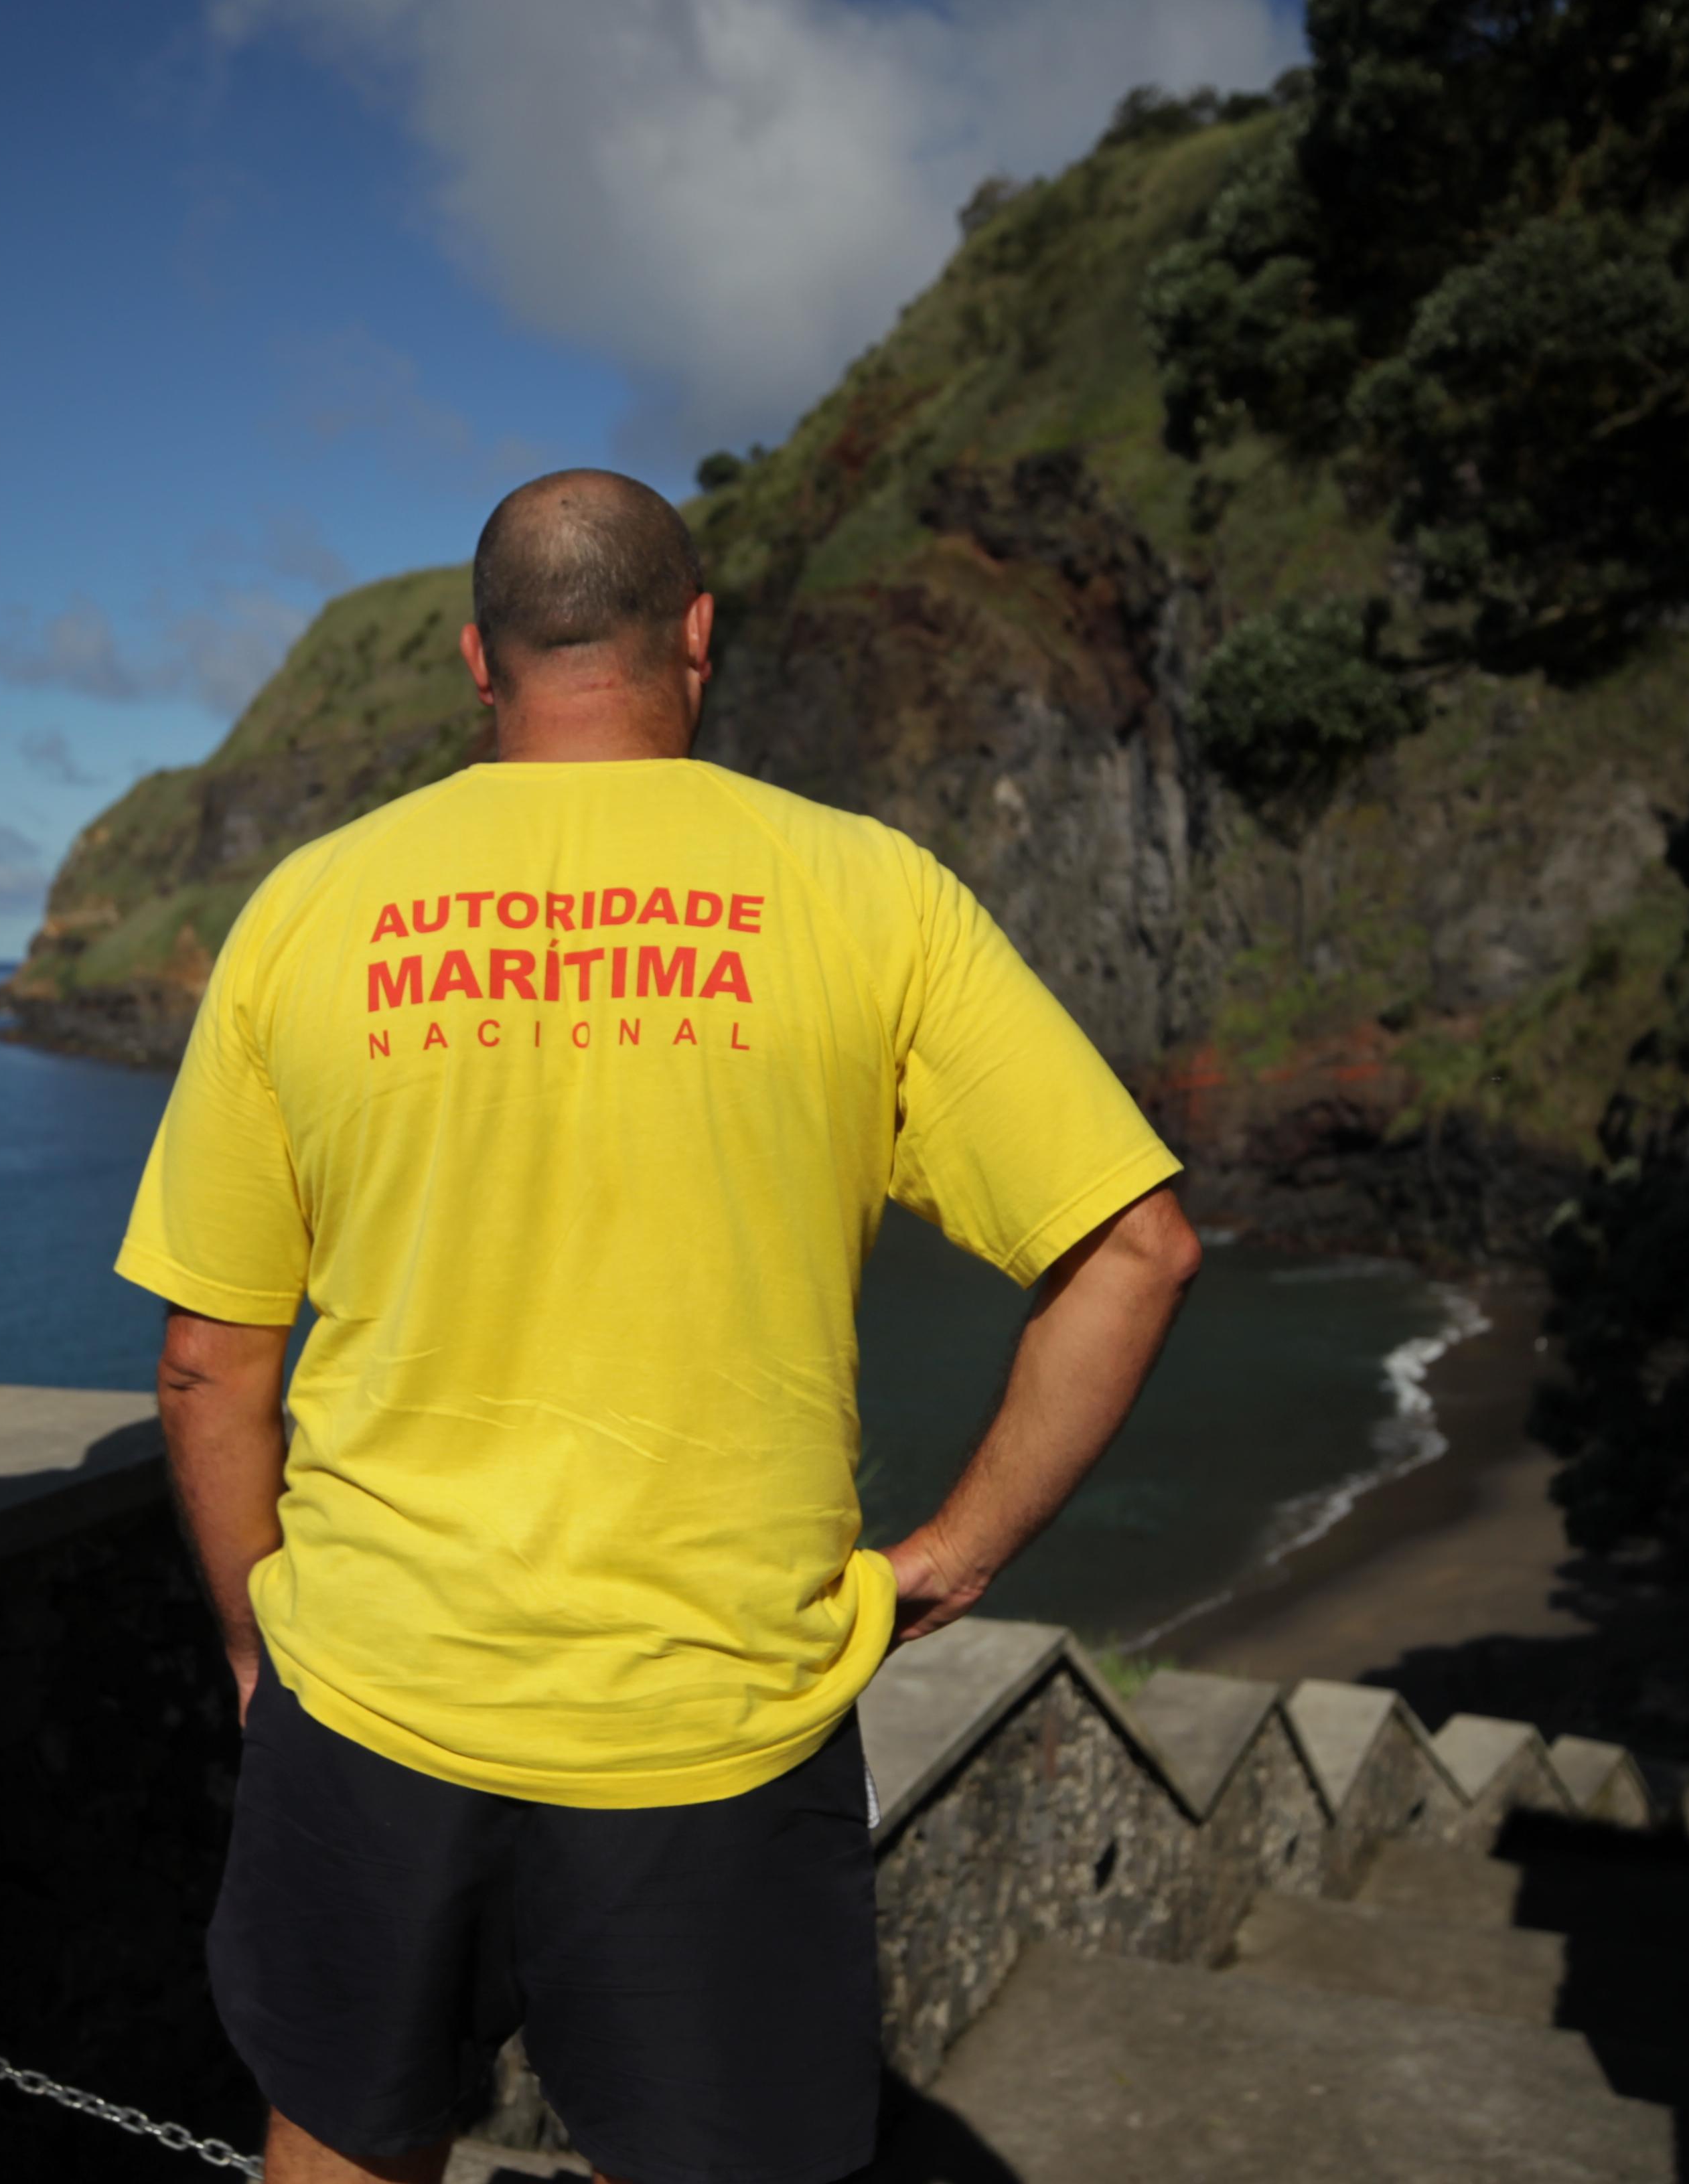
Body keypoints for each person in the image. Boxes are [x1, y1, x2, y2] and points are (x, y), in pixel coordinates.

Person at [122, 470, 1203, 2184]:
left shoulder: (310, 909)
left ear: (482, 661)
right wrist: (959, 1553)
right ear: (696, 637)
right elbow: (1135, 1252)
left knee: (338, 2145)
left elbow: (208, 1360)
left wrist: (265, 1643)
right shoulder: (867, 893)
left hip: (377, 1700)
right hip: (719, 1725)